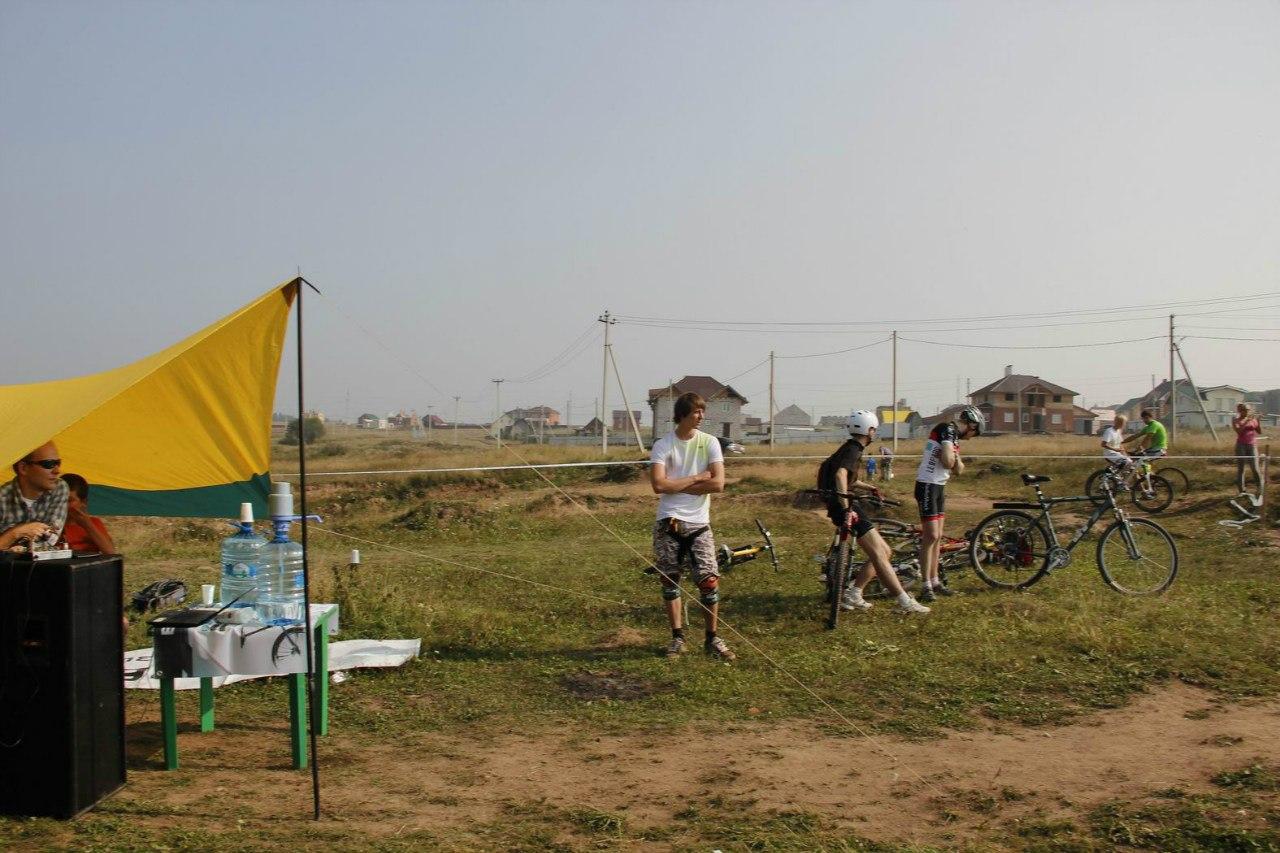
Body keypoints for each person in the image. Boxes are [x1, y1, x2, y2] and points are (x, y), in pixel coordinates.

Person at [649, 392, 735, 661]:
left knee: (709, 581)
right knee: (670, 580)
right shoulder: (663, 445)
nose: (701, 416)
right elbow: (658, 485)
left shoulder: (710, 442)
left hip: (699, 523)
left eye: (702, 411)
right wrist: (697, 477)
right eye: (696, 412)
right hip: (669, 522)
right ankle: (677, 638)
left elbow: (718, 484)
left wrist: (676, 485)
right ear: (682, 415)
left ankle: (712, 639)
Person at [819, 410, 930, 615]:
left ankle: (854, 593)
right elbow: (840, 475)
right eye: (874, 430)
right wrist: (846, 507)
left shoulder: (849, 447)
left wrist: (869, 487)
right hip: (846, 507)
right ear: (869, 430)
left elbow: (849, 479)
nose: (875, 433)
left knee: (885, 552)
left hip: (840, 505)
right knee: (879, 553)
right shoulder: (854, 450)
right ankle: (904, 601)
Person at [914, 406, 984, 602]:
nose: (973, 437)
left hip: (939, 486)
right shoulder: (946, 429)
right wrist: (952, 459)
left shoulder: (954, 438)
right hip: (927, 485)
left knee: (938, 538)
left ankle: (935, 581)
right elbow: (947, 462)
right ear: (971, 425)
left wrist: (953, 458)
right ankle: (925, 586)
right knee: (931, 536)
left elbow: (958, 469)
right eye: (975, 432)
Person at [0, 442, 70, 551]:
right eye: (48, 464)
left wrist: (11, 545)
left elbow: (50, 539)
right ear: (23, 468)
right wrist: (16, 532)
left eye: (58, 463)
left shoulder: (60, 488)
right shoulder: (2, 498)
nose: (57, 471)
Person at [60, 473, 117, 554]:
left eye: (69, 500)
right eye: (60, 499)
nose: (63, 504)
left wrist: (87, 525)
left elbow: (111, 553)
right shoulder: (48, 524)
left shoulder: (94, 523)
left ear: (84, 502)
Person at [1232, 403, 1263, 497]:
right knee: (1241, 469)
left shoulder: (1253, 420)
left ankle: (1260, 488)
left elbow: (1259, 432)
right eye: (1244, 410)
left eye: (1248, 410)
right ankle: (1242, 491)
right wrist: (1246, 422)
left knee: (1255, 468)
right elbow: (1239, 432)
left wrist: (1258, 421)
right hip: (1241, 445)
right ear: (1240, 411)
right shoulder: (1236, 420)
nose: (1246, 412)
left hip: (1252, 445)